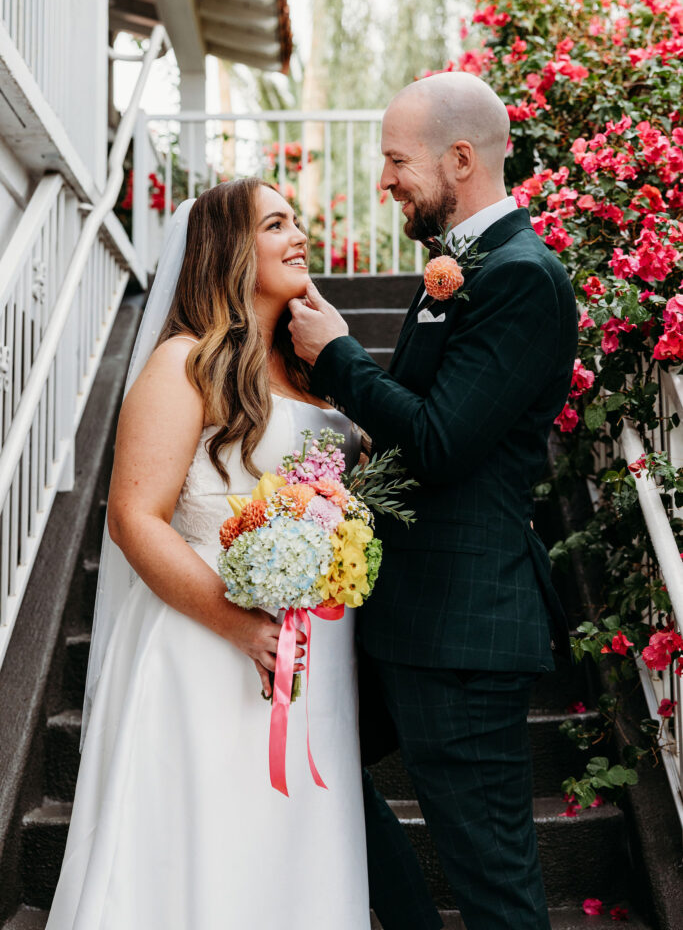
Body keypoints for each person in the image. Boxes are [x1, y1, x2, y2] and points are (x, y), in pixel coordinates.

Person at [288, 71, 579, 930]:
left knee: (493, 884)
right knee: (314, 768)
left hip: (462, 630)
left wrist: (339, 356)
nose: (383, 180)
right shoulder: (458, 265)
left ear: (459, 158)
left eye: (395, 160)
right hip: (405, 614)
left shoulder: (522, 276)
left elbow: (443, 442)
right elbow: (416, 427)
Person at [46, 179, 370, 930]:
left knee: (291, 847)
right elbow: (133, 519)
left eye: (297, 221)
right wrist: (240, 626)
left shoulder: (313, 372)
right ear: (229, 249)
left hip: (313, 648)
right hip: (209, 641)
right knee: (212, 842)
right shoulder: (183, 362)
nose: (299, 235)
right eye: (276, 224)